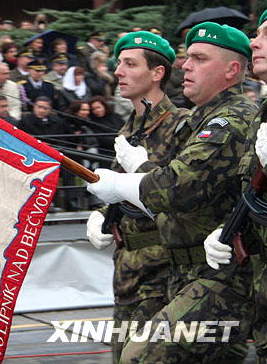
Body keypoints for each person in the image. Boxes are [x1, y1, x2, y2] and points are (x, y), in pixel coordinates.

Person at [87, 22, 256, 363]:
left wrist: (126, 179)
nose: (186, 65)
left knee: (142, 355)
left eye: (198, 58)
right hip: (175, 269)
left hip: (203, 270)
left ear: (231, 69)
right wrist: (105, 212)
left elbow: (175, 187)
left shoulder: (218, 120)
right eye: (187, 57)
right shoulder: (195, 120)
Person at [85, 31, 188, 364]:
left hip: (164, 272)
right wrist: (102, 212)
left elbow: (179, 193)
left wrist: (140, 167)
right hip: (128, 270)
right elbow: (116, 185)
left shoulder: (181, 126)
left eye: (130, 64)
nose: (118, 72)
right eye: (118, 64)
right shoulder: (129, 128)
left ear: (157, 73)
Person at [204, 9, 267, 364]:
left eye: (265, 35)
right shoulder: (262, 112)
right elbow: (254, 195)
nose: (254, 43)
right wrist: (229, 229)